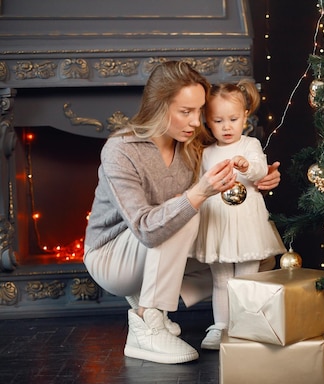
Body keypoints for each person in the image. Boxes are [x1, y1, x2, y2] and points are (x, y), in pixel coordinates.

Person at [82, 61, 281, 364]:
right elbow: (146, 228)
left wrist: (262, 177)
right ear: (158, 107)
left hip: (158, 249)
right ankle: (147, 323)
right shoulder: (121, 150)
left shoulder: (193, 142)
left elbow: (234, 163)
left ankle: (160, 303)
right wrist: (197, 193)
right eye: (185, 112)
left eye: (200, 112)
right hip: (113, 257)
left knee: (257, 253)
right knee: (188, 208)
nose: (195, 122)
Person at [190, 80, 287, 350]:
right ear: (207, 122)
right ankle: (220, 326)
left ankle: (246, 324)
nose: (226, 126)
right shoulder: (206, 152)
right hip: (218, 223)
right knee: (221, 280)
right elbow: (198, 184)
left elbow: (259, 171)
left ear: (245, 116)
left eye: (233, 119)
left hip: (246, 223)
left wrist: (248, 167)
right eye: (218, 120)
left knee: (247, 278)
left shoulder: (250, 144)